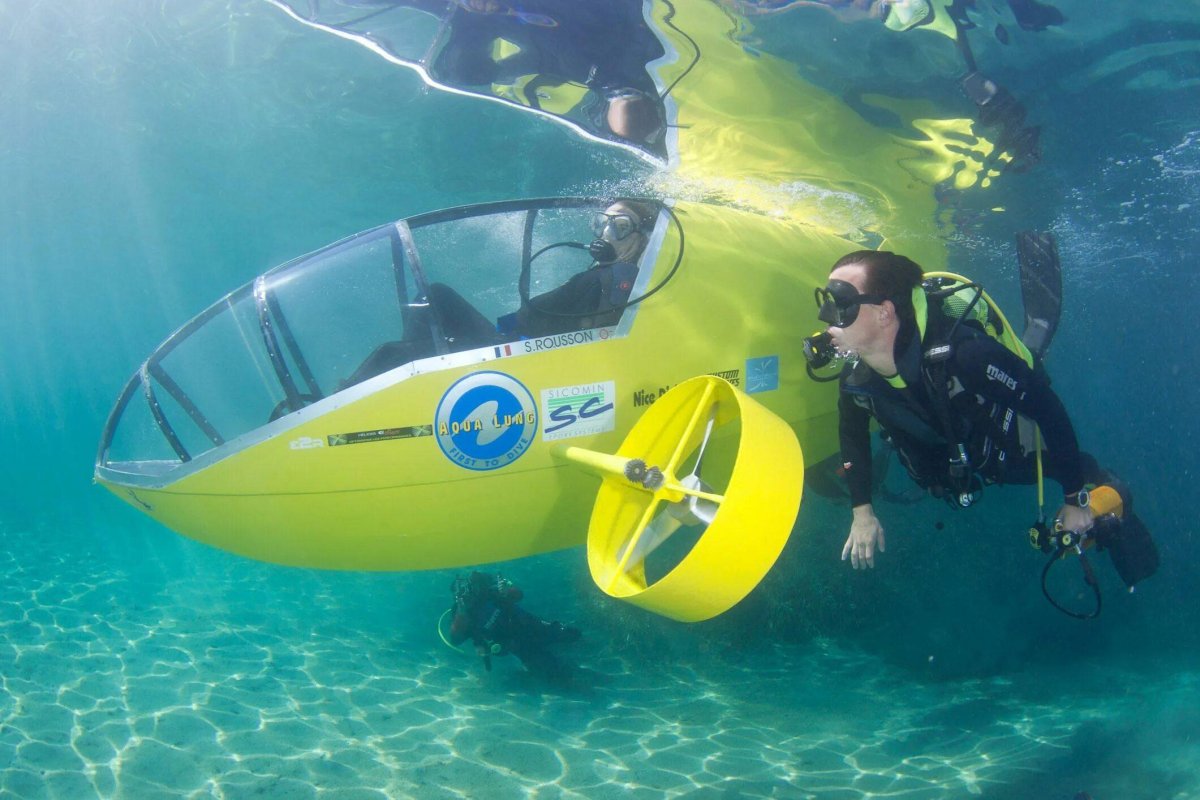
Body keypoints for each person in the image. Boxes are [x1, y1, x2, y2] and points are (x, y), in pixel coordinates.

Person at [815, 250, 1156, 589]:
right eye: (828, 300)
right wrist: (862, 511)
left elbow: (1048, 409)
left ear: (885, 312)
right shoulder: (856, 378)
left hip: (1003, 447)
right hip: (952, 449)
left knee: (1039, 465)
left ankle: (1112, 494)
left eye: (842, 303)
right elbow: (852, 434)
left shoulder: (968, 356)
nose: (825, 315)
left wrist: (1073, 500)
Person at [508, 199, 656, 338]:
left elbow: (528, 314)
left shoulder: (608, 276)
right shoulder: (642, 279)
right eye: (602, 223)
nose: (606, 233)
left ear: (643, 239)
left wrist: (504, 328)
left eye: (622, 227)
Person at [448, 571, 582, 680]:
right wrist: (461, 610)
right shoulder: (461, 613)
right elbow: (455, 640)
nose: (467, 595)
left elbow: (518, 595)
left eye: (469, 590)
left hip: (527, 623)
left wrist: (507, 591)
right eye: (461, 593)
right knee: (554, 671)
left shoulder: (487, 588)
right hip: (512, 642)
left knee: (572, 635)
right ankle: (541, 667)